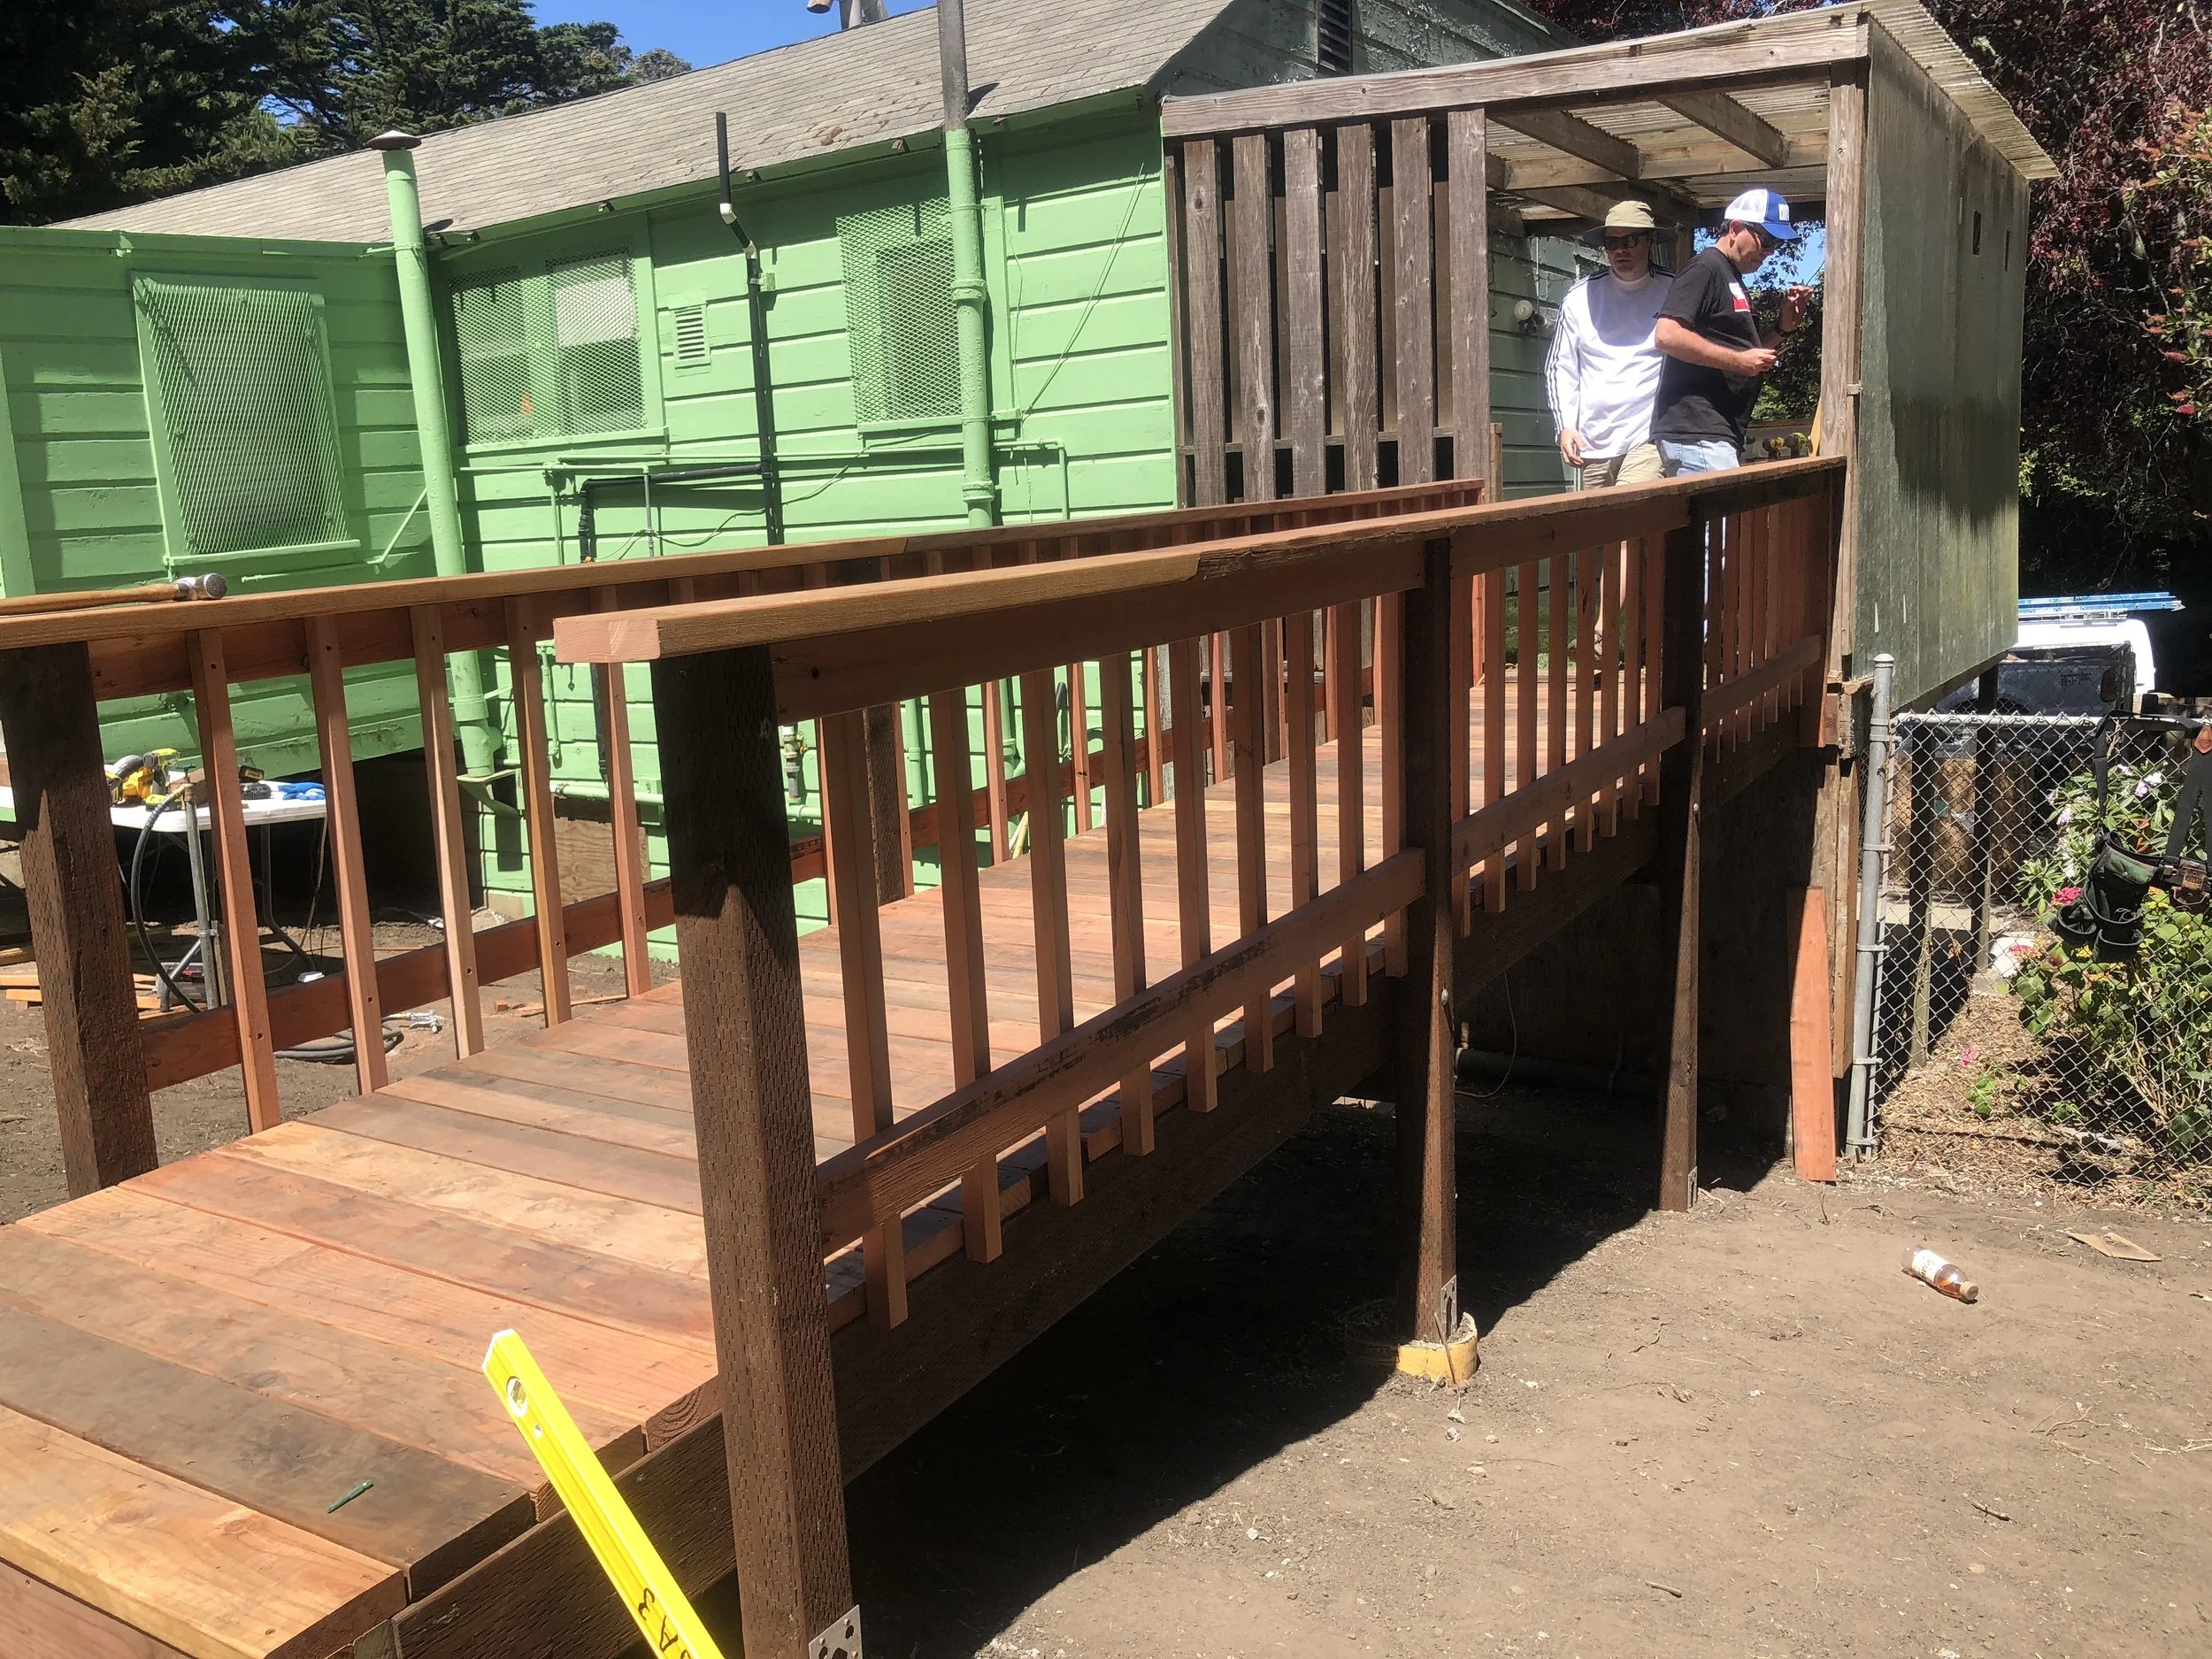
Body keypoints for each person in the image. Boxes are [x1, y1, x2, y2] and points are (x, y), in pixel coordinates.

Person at [1649, 187, 1813, 475]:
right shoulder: (1705, 268)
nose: (1769, 251)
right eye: (1766, 239)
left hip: (1715, 433)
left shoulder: (1730, 276)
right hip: (1698, 431)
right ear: (1736, 228)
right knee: (1720, 519)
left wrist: (1783, 327)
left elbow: (1743, 351)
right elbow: (1667, 335)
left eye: (1776, 244)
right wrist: (1738, 362)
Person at [1545, 200, 1671, 487]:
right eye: (1612, 242)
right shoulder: (1580, 296)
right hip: (1594, 445)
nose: (1620, 250)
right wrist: (1565, 426)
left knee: (1629, 518)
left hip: (1649, 438)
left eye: (1630, 240)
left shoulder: (1674, 290)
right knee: (1602, 530)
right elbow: (1561, 367)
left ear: (1651, 240)